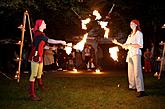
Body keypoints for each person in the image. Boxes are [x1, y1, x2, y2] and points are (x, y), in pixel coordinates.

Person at [28, 19, 66, 101]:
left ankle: (41, 87)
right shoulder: (39, 34)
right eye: (44, 23)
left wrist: (51, 48)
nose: (45, 24)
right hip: (36, 56)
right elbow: (50, 40)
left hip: (40, 56)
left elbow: (43, 46)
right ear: (40, 25)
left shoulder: (41, 34)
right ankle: (32, 94)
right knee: (33, 75)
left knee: (39, 74)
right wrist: (61, 41)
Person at [112, 19, 147, 97]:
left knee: (137, 72)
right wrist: (117, 42)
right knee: (130, 71)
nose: (131, 25)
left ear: (136, 24)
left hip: (136, 53)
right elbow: (125, 45)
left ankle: (141, 90)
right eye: (130, 24)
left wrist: (130, 45)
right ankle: (132, 86)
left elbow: (140, 45)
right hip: (130, 54)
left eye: (132, 24)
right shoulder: (130, 35)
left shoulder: (139, 33)